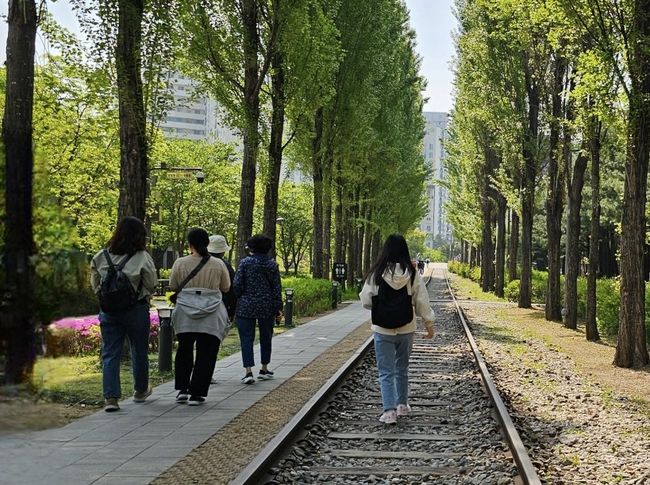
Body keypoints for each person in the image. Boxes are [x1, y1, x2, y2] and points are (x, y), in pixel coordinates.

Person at [360, 234, 435, 424]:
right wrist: (428, 324)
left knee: (386, 371)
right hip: (406, 327)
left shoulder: (376, 273)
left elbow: (366, 300)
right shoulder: (412, 273)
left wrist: (381, 306)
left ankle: (389, 412)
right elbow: (422, 301)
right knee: (402, 368)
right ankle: (402, 405)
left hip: (382, 329)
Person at [90, 216, 158, 412]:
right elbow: (151, 284)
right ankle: (140, 390)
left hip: (109, 311)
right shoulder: (142, 257)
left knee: (110, 353)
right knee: (139, 350)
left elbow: (95, 285)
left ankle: (111, 398)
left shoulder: (101, 256)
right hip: (136, 308)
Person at [169, 228, 231, 405]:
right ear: (207, 243)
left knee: (184, 350)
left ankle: (182, 389)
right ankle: (197, 393)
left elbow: (173, 286)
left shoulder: (180, 263)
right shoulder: (218, 264)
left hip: (185, 313)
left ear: (189, 244)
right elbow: (226, 287)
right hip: (211, 313)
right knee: (207, 353)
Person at [232, 234, 283, 384]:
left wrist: (239, 297)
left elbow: (237, 285)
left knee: (246, 338)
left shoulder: (245, 263)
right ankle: (264, 368)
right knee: (266, 336)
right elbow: (276, 288)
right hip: (266, 305)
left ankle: (248, 372)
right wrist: (278, 308)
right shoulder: (272, 265)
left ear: (252, 248)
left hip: (246, 305)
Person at [207, 234, 236, 384]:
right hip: (219, 306)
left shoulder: (195, 262)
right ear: (223, 251)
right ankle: (207, 373)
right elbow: (231, 290)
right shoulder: (225, 266)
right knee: (213, 342)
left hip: (195, 307)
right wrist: (232, 311)